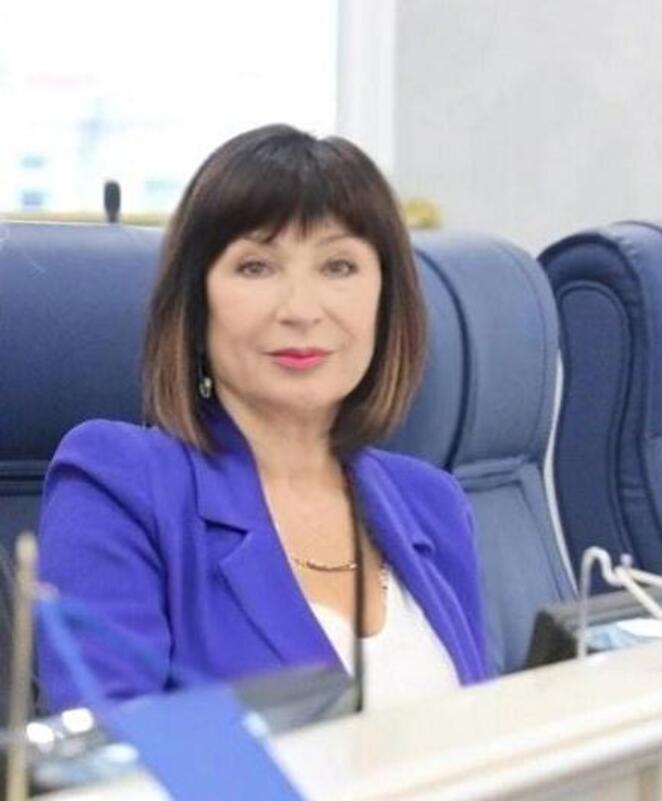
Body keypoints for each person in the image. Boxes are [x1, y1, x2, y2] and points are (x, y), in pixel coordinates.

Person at [36, 124, 492, 713]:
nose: (301, 310)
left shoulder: (432, 503)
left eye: (339, 266)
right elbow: (114, 748)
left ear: (386, 299)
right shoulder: (122, 484)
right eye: (256, 266)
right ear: (195, 303)